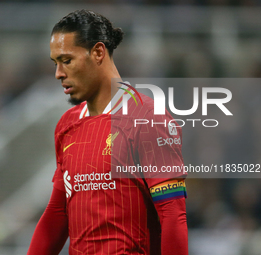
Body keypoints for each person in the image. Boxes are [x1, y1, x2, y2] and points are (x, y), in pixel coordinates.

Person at [27, 9, 188, 255]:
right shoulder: (67, 124)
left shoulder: (147, 118)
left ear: (98, 52)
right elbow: (57, 213)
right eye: (55, 63)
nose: (58, 73)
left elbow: (172, 214)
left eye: (67, 60)